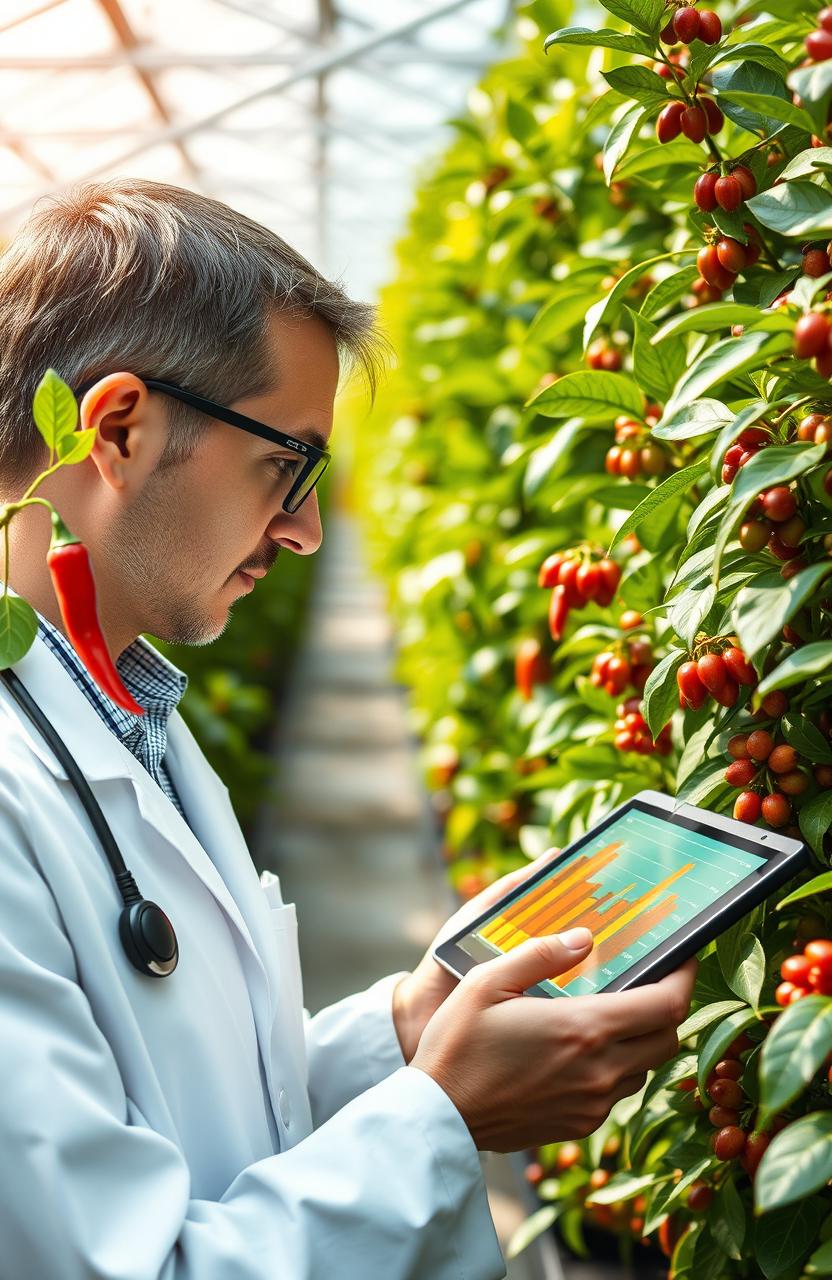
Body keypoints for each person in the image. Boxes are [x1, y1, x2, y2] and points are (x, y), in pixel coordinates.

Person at [0, 178, 696, 1279]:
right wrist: (442, 1115)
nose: (309, 529)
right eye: (289, 464)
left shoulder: (125, 714)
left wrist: (407, 1033)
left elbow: (205, 1123)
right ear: (119, 429)